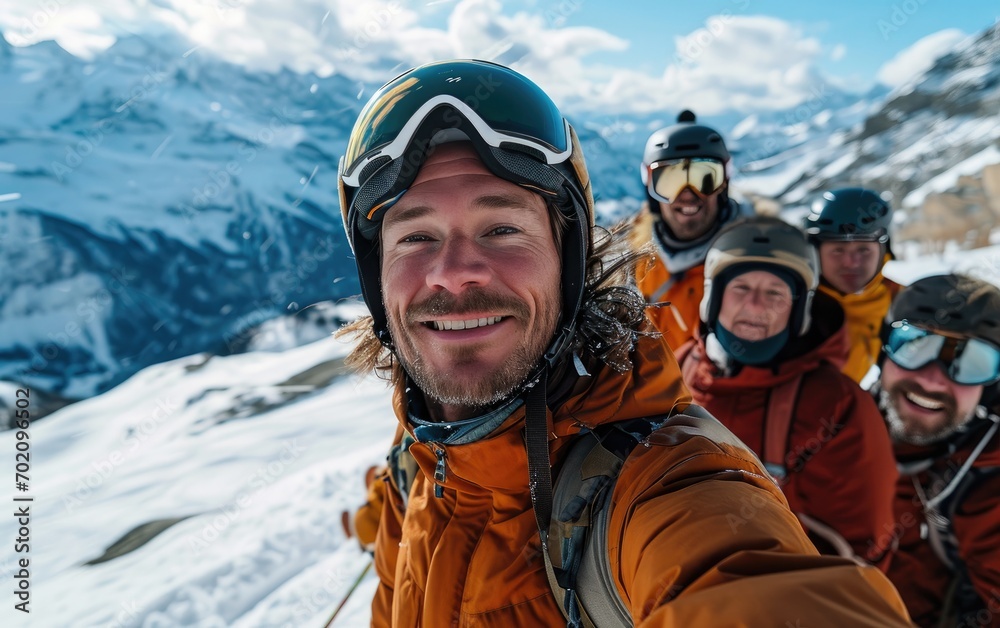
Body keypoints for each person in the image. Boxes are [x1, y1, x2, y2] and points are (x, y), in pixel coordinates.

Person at [336, 59, 910, 626]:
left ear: (568, 261)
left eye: (503, 229)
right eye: (414, 235)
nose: (455, 271)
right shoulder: (422, 450)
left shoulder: (655, 483)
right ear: (375, 276)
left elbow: (730, 566)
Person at [674, 216, 899, 569]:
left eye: (776, 293)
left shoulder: (837, 406)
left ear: (799, 312)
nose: (756, 306)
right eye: (741, 288)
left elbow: (861, 553)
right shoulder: (677, 369)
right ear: (713, 298)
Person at [872, 273, 1000, 626]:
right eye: (914, 344)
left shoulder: (987, 479)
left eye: (973, 361)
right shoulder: (833, 423)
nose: (932, 379)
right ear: (883, 350)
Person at [631, 110, 751, 351]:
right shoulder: (633, 262)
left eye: (705, 178)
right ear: (651, 190)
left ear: (724, 185)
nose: (687, 194)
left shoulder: (757, 263)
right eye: (669, 180)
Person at [804, 187, 900, 384]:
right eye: (838, 250)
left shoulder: (903, 303)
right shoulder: (795, 307)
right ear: (815, 253)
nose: (851, 262)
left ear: (883, 251)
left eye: (864, 249)